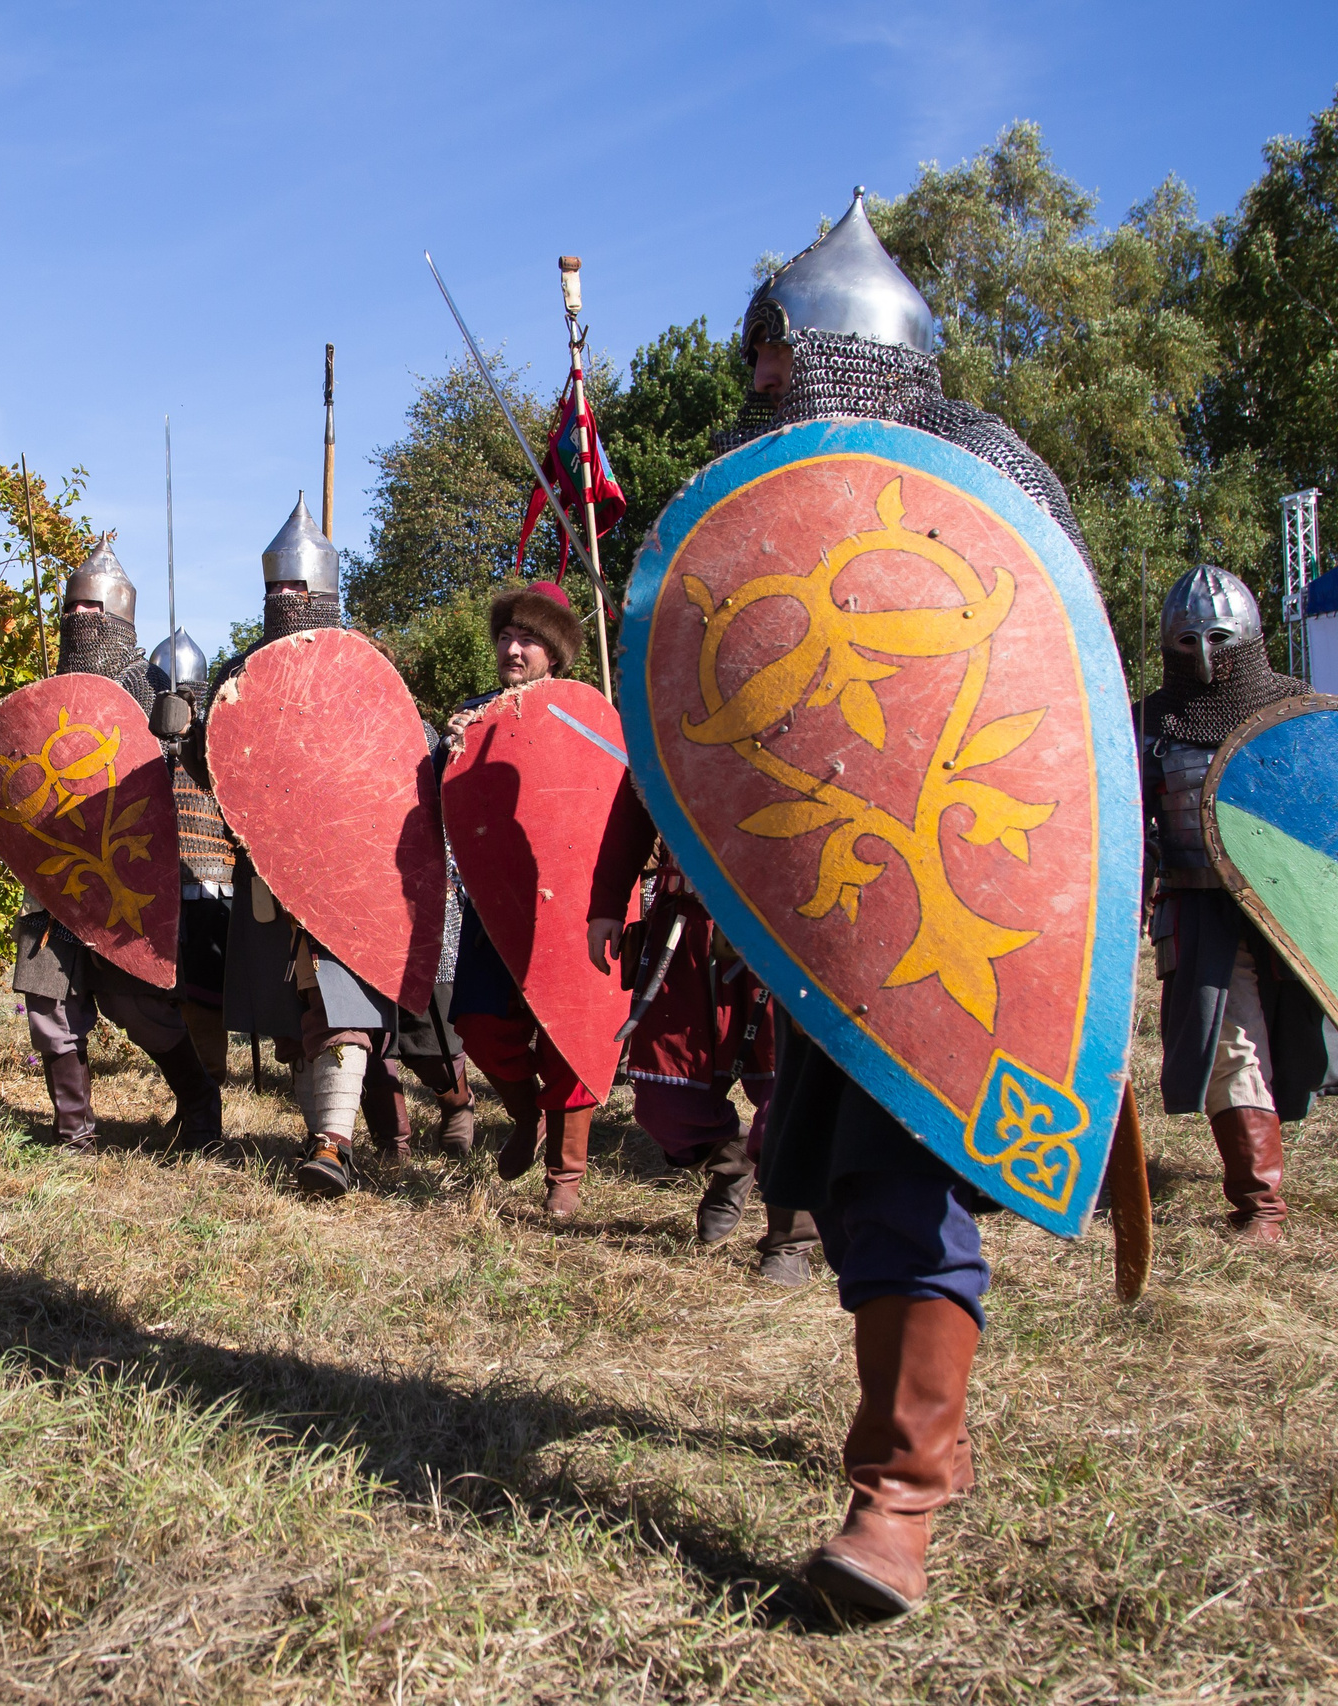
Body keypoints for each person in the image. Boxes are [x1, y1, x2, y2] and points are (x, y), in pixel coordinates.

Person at [703, 189, 1100, 1619]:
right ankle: (907, 1458)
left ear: (845, 359)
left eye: (776, 360)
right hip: (831, 891)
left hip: (965, 883)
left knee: (906, 1172)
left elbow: (1066, 705)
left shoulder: (986, 478)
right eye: (757, 366)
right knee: (850, 1174)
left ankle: (902, 1497)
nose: (759, 388)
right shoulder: (757, 509)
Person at [182, 497, 471, 1197]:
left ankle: (427, 1111)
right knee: (306, 1020)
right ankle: (345, 1142)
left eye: (295, 588)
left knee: (390, 1020)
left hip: (357, 871)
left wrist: (448, 746)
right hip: (276, 879)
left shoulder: (361, 665)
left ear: (322, 594)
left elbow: (405, 748)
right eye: (273, 588)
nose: (282, 600)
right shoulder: (241, 676)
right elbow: (217, 770)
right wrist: (188, 736)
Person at [1140, 561, 1338, 1246]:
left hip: (1282, 906)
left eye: (1216, 638)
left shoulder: (1294, 709)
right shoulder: (1147, 720)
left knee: (1294, 1035)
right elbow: (1130, 818)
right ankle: (1258, 1205)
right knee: (1227, 1044)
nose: (1203, 656)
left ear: (1248, 640)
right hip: (1197, 907)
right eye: (1187, 642)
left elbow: (1331, 815)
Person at [10, 543, 222, 1153]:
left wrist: (180, 734)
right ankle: (74, 1131)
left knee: (141, 1008)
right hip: (55, 870)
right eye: (71, 605)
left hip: (126, 866)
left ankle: (199, 1101)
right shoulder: (48, 690)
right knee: (49, 1003)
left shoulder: (150, 682)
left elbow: (184, 776)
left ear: (120, 619)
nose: (79, 615)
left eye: (91, 608)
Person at [441, 581, 607, 1218]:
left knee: (570, 1037)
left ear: (555, 654)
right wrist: (447, 751)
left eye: (529, 640)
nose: (514, 649)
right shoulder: (474, 717)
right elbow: (440, 807)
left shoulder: (584, 714)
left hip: (575, 903)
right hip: (496, 902)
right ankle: (523, 1113)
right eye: (507, 636)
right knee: (479, 1022)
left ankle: (565, 1178)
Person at [587, 798, 780, 1257]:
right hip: (686, 925)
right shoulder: (664, 723)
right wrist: (606, 904)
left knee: (788, 1092)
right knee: (664, 1101)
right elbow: (632, 812)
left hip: (782, 931)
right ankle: (730, 1161)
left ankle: (791, 1237)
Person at [150, 626, 237, 1087]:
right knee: (171, 993)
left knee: (204, 994)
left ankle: (211, 1085)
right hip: (161, 882)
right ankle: (195, 1092)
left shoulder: (212, 738)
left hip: (211, 877)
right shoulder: (143, 740)